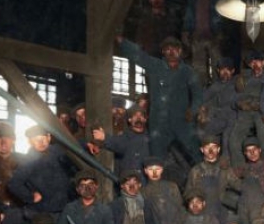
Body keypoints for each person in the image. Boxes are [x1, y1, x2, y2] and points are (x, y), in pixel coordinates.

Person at [117, 35, 202, 169]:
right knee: (156, 160)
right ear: (163, 52)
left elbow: (198, 94)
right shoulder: (155, 65)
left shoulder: (187, 72)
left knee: (197, 153)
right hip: (159, 124)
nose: (171, 52)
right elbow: (138, 55)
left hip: (182, 121)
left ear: (180, 51)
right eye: (167, 49)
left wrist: (193, 110)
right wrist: (123, 42)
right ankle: (156, 186)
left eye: (175, 49)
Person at [7, 124, 74, 217]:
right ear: (30, 142)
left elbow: (76, 147)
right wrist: (30, 196)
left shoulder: (58, 151)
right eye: (36, 140)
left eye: (43, 138)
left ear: (49, 138)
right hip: (42, 210)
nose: (41, 142)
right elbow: (14, 183)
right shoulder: (28, 160)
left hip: (64, 207)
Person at [182, 0, 225, 86]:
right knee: (198, 67)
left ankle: (218, 90)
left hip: (213, 34)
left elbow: (222, 15)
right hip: (197, 35)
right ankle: (202, 93)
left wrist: (220, 32)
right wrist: (186, 31)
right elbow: (188, 14)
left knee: (217, 64)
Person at [185, 134, 241, 224]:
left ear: (218, 149)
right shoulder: (196, 171)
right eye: (207, 147)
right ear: (202, 150)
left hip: (221, 213)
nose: (211, 151)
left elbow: (238, 185)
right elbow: (188, 193)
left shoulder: (225, 170)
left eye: (214, 147)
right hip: (201, 213)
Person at [229, 51, 264, 167]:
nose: (255, 65)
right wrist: (239, 104)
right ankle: (240, 169)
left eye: (258, 62)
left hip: (261, 112)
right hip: (245, 113)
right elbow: (233, 99)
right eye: (252, 62)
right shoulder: (243, 79)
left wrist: (260, 104)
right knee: (234, 140)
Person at [235, 136, 264, 224]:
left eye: (254, 149)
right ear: (245, 153)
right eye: (248, 151)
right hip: (244, 203)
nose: (252, 153)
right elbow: (231, 178)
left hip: (261, 204)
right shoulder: (243, 168)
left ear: (259, 150)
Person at [199, 56, 239, 157]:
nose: (225, 72)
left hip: (235, 117)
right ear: (218, 70)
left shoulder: (237, 83)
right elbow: (202, 98)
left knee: (227, 138)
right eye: (222, 70)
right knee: (203, 131)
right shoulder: (216, 85)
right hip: (221, 117)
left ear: (233, 71)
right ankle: (209, 159)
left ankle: (226, 162)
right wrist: (202, 109)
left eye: (228, 70)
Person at [102, 107, 152, 182]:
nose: (138, 118)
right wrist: (104, 138)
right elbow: (116, 144)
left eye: (141, 116)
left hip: (146, 182)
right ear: (129, 120)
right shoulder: (123, 137)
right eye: (135, 116)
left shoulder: (151, 138)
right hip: (128, 181)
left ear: (145, 119)